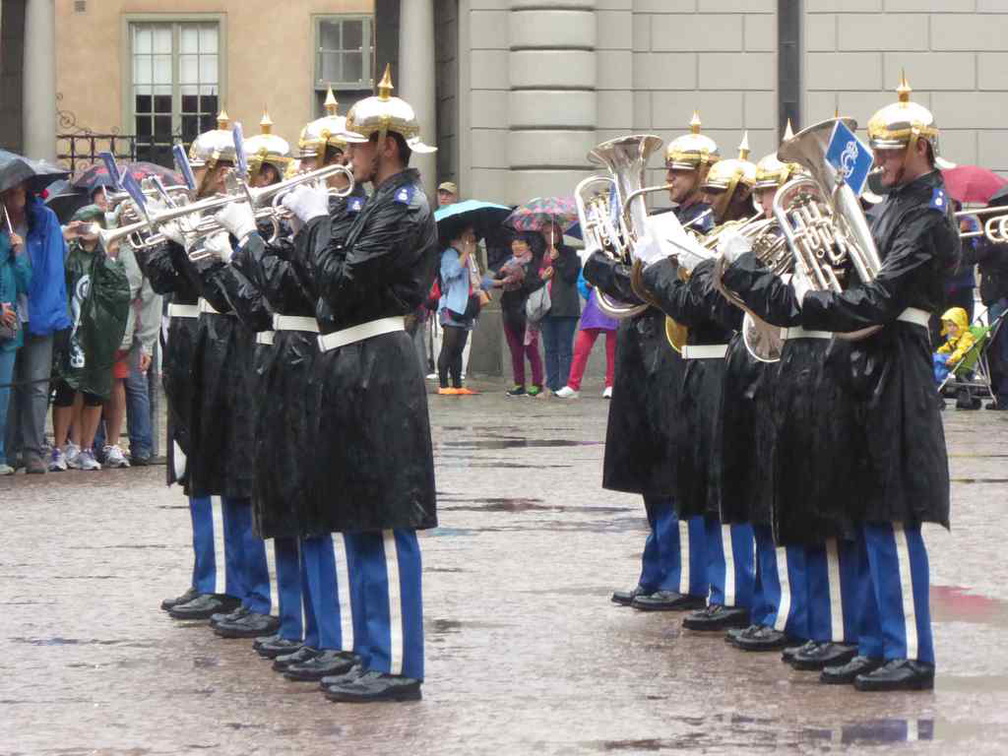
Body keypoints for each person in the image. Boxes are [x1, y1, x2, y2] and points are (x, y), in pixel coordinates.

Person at [787, 76, 955, 691]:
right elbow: (855, 278)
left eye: (889, 152)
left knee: (892, 513)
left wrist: (804, 302)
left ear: (920, 149)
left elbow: (882, 296)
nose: (879, 162)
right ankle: (871, 641)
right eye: (877, 151)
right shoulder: (890, 207)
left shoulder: (931, 216)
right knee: (860, 510)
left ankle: (909, 650)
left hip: (899, 360)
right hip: (862, 363)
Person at [284, 64, 439, 702]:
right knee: (355, 510)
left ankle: (399, 664)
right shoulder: (369, 204)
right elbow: (318, 278)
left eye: (355, 145)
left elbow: (340, 281)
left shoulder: (402, 209)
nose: (345, 156)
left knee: (387, 512)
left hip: (380, 360)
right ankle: (369, 650)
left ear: (387, 146)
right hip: (348, 359)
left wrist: (316, 224)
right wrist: (306, 228)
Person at [583, 117, 718, 615]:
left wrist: (621, 272)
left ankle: (681, 577)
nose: (671, 180)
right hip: (641, 346)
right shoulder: (659, 221)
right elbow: (637, 284)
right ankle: (657, 568)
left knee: (672, 472)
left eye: (681, 172)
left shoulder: (705, 227)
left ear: (706, 173)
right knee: (646, 466)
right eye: (669, 171)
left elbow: (665, 288)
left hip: (675, 352)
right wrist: (607, 267)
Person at [158, 111, 276, 637]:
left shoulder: (247, 214)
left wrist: (209, 249)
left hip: (231, 337)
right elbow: (168, 281)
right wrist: (162, 242)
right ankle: (215, 581)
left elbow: (229, 291)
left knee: (233, 472)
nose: (209, 178)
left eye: (214, 169)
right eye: (210, 169)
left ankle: (242, 589)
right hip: (198, 337)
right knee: (200, 465)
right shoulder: (196, 209)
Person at [637, 134, 758, 632]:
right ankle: (718, 585)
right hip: (698, 362)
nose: (705, 202)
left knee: (721, 489)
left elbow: (694, 305)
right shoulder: (718, 237)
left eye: (712, 193)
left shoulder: (737, 239)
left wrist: (661, 269)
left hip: (722, 364)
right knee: (697, 485)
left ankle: (730, 589)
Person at [49, 205, 130, 472]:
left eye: (92, 224)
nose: (87, 230)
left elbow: (119, 295)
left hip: (98, 336)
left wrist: (110, 252)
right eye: (82, 224)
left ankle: (85, 448)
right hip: (71, 333)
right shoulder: (68, 256)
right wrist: (66, 237)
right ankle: (59, 448)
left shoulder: (108, 260)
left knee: (95, 391)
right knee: (66, 389)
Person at [1, 179, 70, 474]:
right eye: (7, 193)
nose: (13, 198)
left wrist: (48, 312)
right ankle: (9, 449)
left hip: (40, 312)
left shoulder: (44, 220)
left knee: (38, 386)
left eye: (17, 192)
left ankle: (32, 450)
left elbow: (53, 270)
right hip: (10, 316)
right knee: (10, 386)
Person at [487, 232, 545, 396]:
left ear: (528, 246)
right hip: (509, 310)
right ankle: (519, 384)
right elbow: (492, 282)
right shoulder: (509, 262)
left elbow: (533, 285)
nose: (517, 246)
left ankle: (537, 383)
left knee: (531, 349)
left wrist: (521, 275)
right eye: (514, 243)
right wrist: (502, 273)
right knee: (515, 350)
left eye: (520, 243)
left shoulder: (533, 263)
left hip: (526, 311)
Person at [0, 217, 31, 475]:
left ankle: (1, 454)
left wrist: (18, 254)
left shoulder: (10, 245)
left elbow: (26, 285)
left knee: (3, 397)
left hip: (8, 334)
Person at [555, 268, 616, 399]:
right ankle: (573, 385)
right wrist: (587, 285)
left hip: (616, 301)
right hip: (595, 303)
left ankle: (611, 384)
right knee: (581, 347)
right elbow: (582, 280)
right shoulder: (593, 253)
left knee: (613, 348)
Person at [538, 220, 581, 396]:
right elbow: (533, 279)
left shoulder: (569, 252)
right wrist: (542, 277)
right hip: (545, 307)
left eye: (553, 232)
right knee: (549, 349)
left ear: (560, 234)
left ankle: (565, 386)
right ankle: (551, 384)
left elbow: (572, 276)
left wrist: (559, 260)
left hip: (565, 307)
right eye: (546, 233)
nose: (550, 236)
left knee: (564, 348)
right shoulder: (540, 254)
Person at [436, 224, 480, 394]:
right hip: (452, 307)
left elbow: (476, 280)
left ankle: (457, 385)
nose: (472, 237)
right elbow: (452, 273)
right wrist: (466, 253)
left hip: (467, 308)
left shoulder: (471, 257)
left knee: (459, 348)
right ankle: (443, 385)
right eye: (468, 234)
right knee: (449, 346)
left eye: (473, 234)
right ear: (460, 237)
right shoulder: (450, 254)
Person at [933, 306, 976, 385]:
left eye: (955, 325)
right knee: (934, 357)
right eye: (949, 325)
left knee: (939, 359)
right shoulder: (955, 337)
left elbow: (961, 350)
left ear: (961, 324)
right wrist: (938, 352)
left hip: (960, 361)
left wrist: (952, 358)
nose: (952, 328)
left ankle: (936, 381)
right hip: (954, 359)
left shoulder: (966, 336)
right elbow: (946, 347)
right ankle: (934, 380)